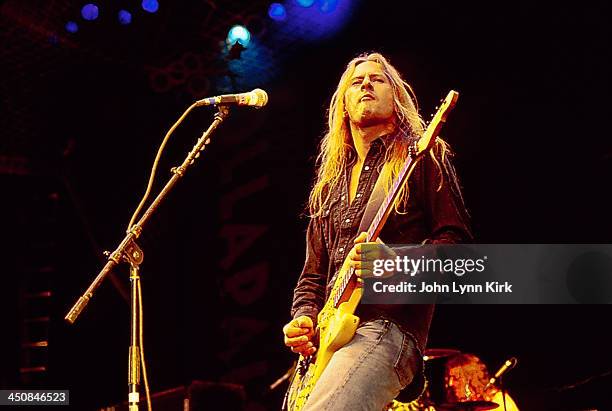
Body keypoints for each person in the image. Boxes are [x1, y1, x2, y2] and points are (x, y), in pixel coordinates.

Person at [283, 52, 472, 410]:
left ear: (397, 98)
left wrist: (394, 263)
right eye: (356, 81)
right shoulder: (328, 188)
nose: (366, 84)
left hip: (388, 328)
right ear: (342, 106)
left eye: (377, 79)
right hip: (328, 345)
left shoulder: (421, 158)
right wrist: (303, 319)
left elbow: (457, 249)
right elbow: (311, 277)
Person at [443, 353, 520, 411]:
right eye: (449, 378)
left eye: (456, 378)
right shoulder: (460, 404)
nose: (450, 383)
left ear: (470, 379)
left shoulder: (498, 400)